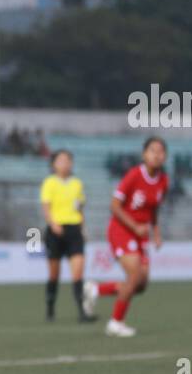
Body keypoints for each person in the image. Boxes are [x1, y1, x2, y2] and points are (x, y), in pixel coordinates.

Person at [83, 137, 169, 337]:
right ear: (144, 154)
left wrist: (156, 233)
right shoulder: (133, 175)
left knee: (140, 285)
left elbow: (154, 209)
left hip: (141, 235)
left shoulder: (164, 180)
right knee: (134, 275)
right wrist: (135, 226)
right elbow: (114, 205)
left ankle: (96, 290)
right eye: (152, 150)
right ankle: (115, 323)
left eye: (161, 151)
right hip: (121, 229)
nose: (157, 155)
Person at [39, 150, 94, 322]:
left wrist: (83, 229)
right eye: (61, 160)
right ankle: (50, 309)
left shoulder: (77, 183)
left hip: (74, 230)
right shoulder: (49, 182)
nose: (65, 163)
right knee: (54, 274)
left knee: (78, 273)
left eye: (68, 160)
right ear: (54, 164)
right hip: (55, 231)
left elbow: (80, 208)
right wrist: (53, 224)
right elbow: (46, 207)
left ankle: (82, 312)